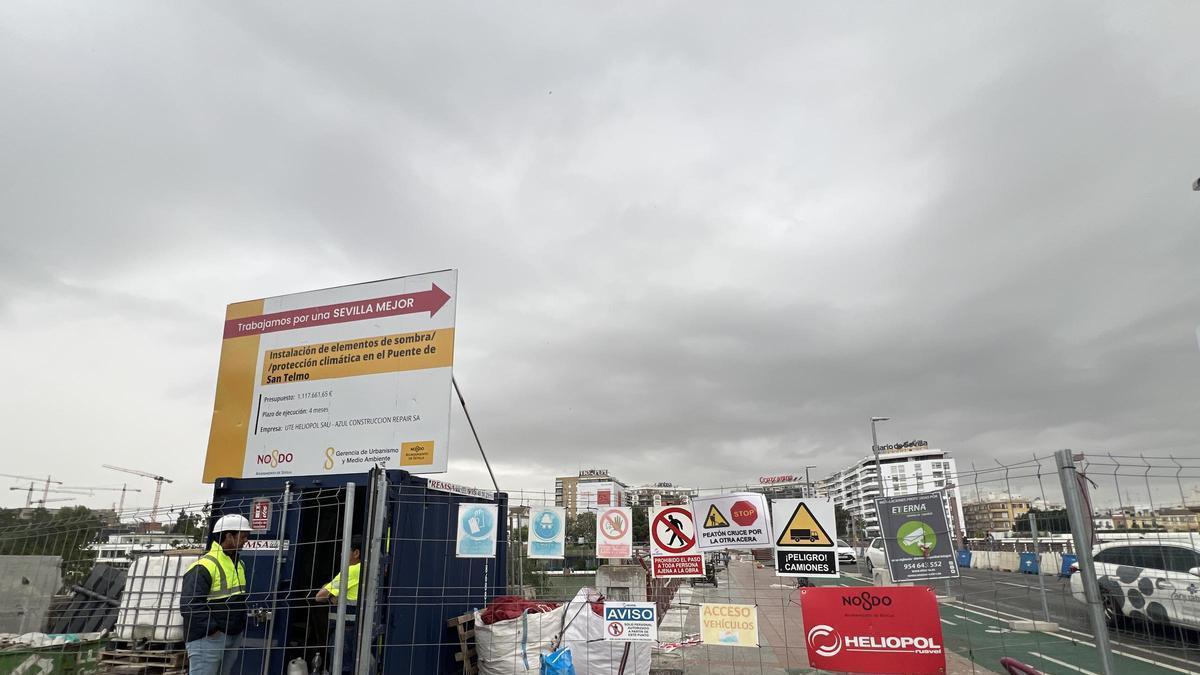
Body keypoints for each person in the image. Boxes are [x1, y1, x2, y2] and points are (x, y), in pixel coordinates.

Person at [181, 514, 252, 675]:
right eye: (243, 536)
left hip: (232, 634)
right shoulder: (203, 566)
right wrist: (213, 630)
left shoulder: (239, 564)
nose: (246, 540)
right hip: (208, 638)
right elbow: (189, 605)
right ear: (228, 536)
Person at [315, 537, 361, 674]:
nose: (341, 554)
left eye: (345, 550)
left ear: (356, 553)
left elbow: (320, 596)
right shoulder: (366, 569)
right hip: (356, 628)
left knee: (341, 668)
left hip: (346, 629)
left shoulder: (351, 571)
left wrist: (330, 595)